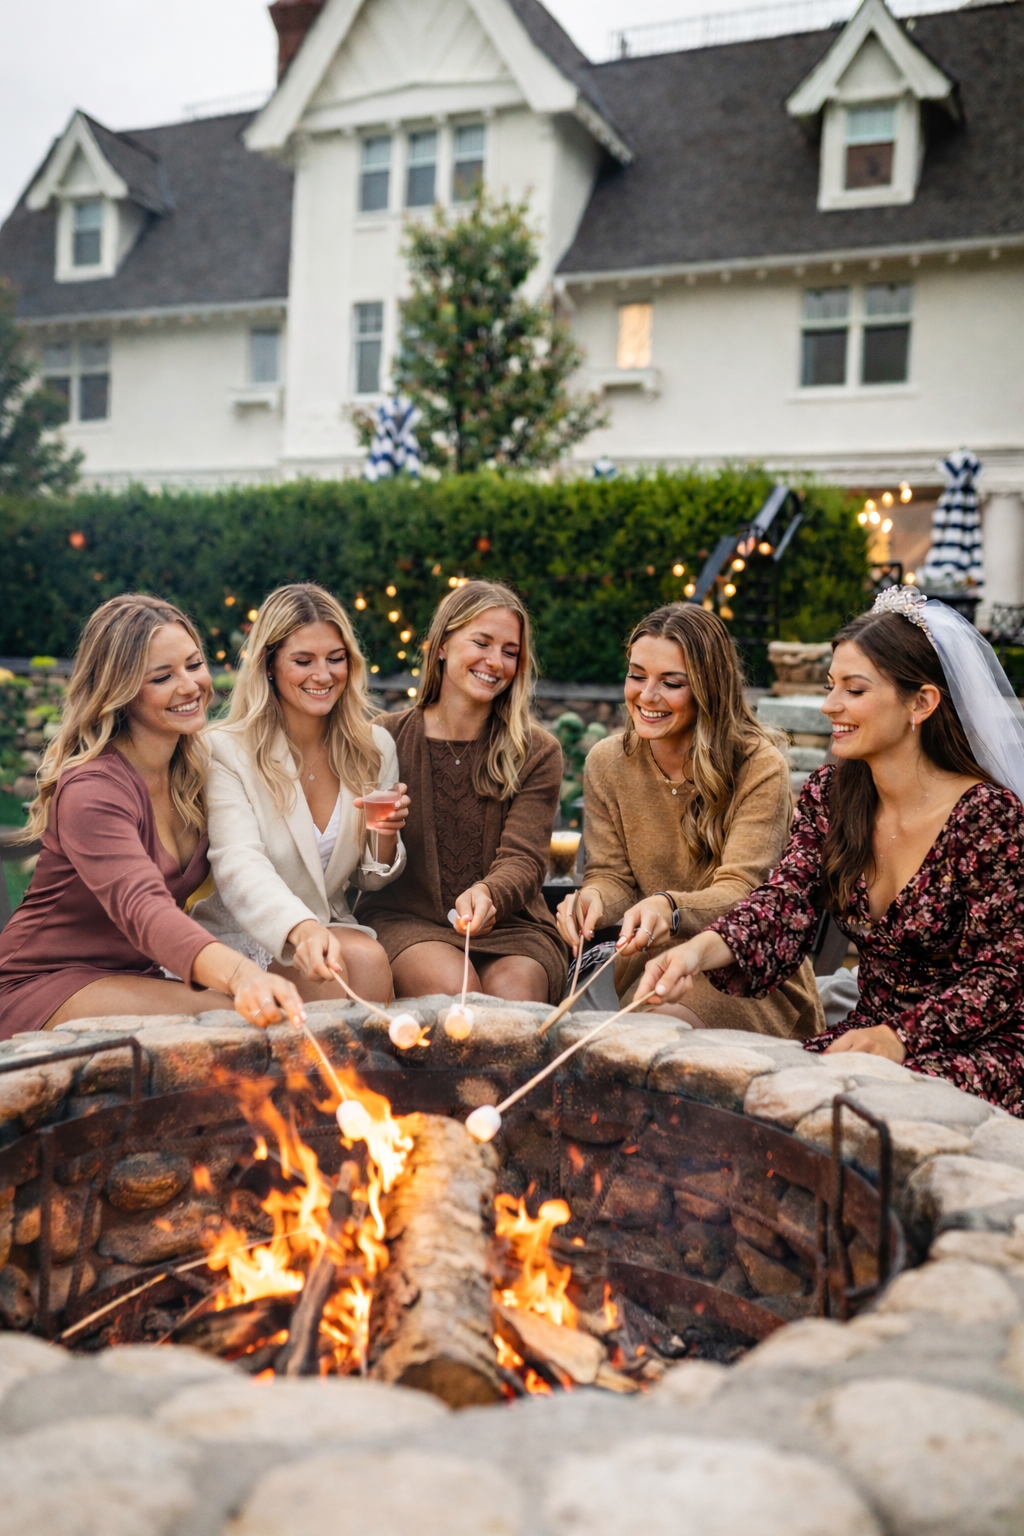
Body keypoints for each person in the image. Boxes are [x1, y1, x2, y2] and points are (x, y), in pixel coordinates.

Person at [637, 586, 1024, 1115]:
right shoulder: (833, 794)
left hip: (988, 1046)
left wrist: (901, 1038)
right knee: (754, 1107)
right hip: (868, 1040)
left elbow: (1002, 976)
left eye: (854, 690)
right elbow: (785, 904)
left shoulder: (989, 818)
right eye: (830, 685)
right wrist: (697, 950)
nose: (829, 706)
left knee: (851, 1114)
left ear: (922, 702)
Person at [0, 595, 305, 1037]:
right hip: (43, 984)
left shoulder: (198, 769)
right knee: (229, 1020)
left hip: (138, 976)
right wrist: (242, 976)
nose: (189, 685)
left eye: (194, 664)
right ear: (119, 691)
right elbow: (145, 909)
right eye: (162, 676)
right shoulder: (93, 791)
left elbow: (258, 856)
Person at [556, 603, 823, 1037]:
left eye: (671, 683)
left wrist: (671, 907)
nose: (646, 696)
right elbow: (613, 877)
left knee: (656, 1042)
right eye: (637, 675)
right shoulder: (607, 763)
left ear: (707, 688)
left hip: (746, 975)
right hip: (653, 973)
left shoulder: (759, 766)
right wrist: (595, 899)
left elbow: (743, 892)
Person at [192, 584, 408, 1003]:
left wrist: (386, 834)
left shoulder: (374, 746)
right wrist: (301, 928)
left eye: (335, 659)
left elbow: (367, 878)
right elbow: (240, 865)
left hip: (333, 927)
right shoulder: (225, 749)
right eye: (303, 661)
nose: (323, 675)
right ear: (269, 665)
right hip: (250, 934)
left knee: (365, 959)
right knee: (361, 961)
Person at [357, 581, 567, 1004]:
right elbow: (365, 860)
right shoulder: (384, 737)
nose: (496, 662)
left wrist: (490, 894)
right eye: (482, 643)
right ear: (441, 646)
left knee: (515, 998)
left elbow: (524, 858)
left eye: (510, 652)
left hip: (512, 924)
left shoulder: (537, 751)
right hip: (407, 919)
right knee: (459, 994)